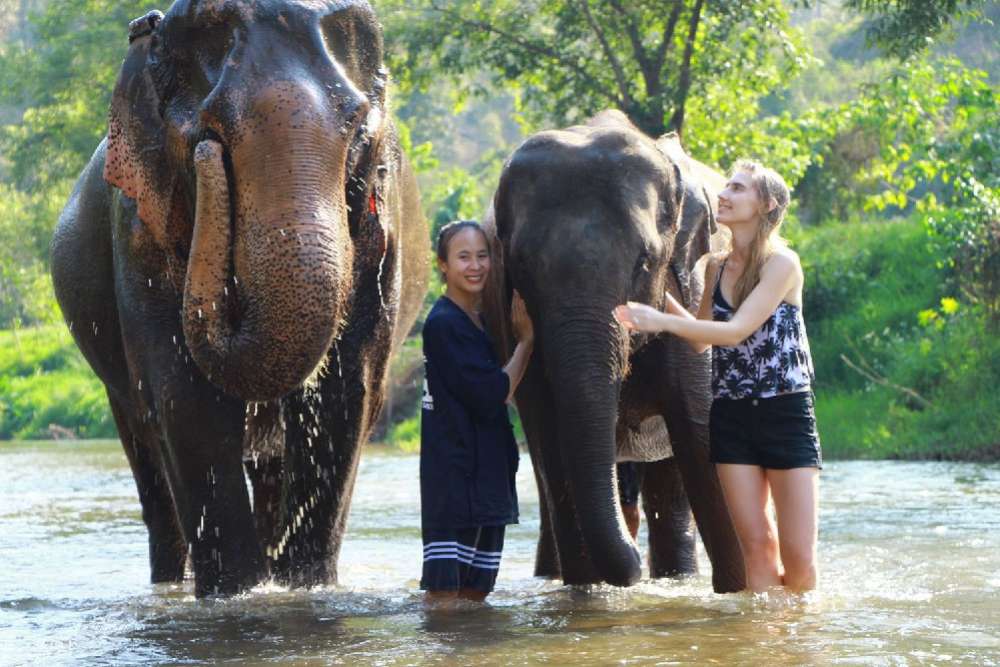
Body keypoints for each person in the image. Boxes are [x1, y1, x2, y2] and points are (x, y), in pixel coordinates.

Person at [614, 160, 821, 594]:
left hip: (785, 411)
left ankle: (801, 644)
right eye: (726, 185)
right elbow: (701, 340)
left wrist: (659, 321)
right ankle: (764, 646)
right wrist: (660, 295)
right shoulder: (717, 267)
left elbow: (735, 331)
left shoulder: (782, 264)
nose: (723, 194)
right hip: (731, 415)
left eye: (738, 188)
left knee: (798, 557)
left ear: (767, 204)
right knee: (756, 546)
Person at [420, 220, 534, 602]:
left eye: (482, 256)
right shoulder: (443, 323)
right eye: (463, 257)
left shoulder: (481, 321)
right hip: (454, 479)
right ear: (443, 265)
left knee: (475, 596)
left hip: (487, 476)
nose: (475, 266)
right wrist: (527, 343)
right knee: (444, 596)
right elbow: (493, 393)